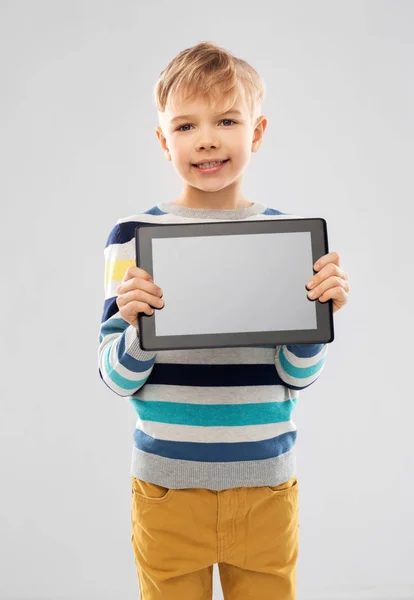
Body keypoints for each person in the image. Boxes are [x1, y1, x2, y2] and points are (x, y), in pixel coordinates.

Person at [98, 41, 350, 600]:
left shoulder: (288, 238)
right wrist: (137, 329)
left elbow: (298, 377)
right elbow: (115, 378)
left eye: (227, 120)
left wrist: (318, 321)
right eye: (186, 125)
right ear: (164, 141)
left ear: (256, 133)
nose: (207, 138)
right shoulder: (131, 236)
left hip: (265, 486)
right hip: (166, 488)